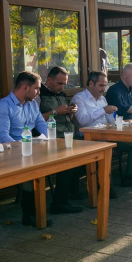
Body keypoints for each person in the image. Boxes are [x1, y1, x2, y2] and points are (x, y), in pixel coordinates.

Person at [0, 71, 56, 227]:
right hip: (7, 153)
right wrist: (24, 150)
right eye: (37, 89)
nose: (39, 92)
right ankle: (30, 215)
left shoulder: (32, 103)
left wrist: (52, 140)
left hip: (29, 149)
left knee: (62, 158)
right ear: (26, 87)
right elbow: (2, 137)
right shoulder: (3, 106)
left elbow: (41, 123)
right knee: (31, 169)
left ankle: (59, 203)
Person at [36, 67, 86, 213]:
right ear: (49, 80)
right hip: (52, 138)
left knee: (92, 153)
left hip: (69, 135)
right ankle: (60, 202)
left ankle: (73, 190)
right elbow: (36, 120)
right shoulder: (39, 95)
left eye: (64, 84)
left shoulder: (62, 94)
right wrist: (55, 112)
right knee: (68, 161)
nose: (62, 87)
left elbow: (67, 119)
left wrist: (70, 112)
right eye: (59, 83)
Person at [105, 63, 132, 187]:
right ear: (124, 75)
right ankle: (131, 176)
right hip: (117, 130)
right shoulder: (115, 90)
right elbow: (121, 109)